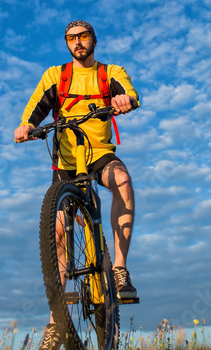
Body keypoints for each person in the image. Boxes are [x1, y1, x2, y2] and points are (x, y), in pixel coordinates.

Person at [14, 20, 140, 349]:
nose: (77, 43)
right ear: (67, 44)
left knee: (122, 180)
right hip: (66, 162)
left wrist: (125, 99)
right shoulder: (56, 75)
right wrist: (27, 124)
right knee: (56, 230)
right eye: (71, 39)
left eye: (83, 37)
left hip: (98, 153)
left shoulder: (108, 71)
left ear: (93, 40)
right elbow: (36, 106)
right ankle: (57, 320)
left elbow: (127, 90)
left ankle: (119, 269)